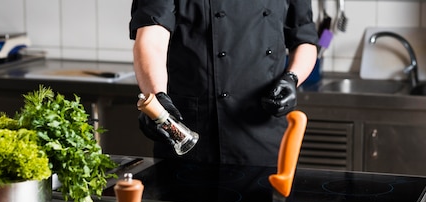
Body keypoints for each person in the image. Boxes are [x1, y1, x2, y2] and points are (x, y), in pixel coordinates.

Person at [129, 0, 318, 166]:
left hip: (261, 129)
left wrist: (293, 77)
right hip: (189, 129)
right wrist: (157, 95)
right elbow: (151, 37)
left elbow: (305, 39)